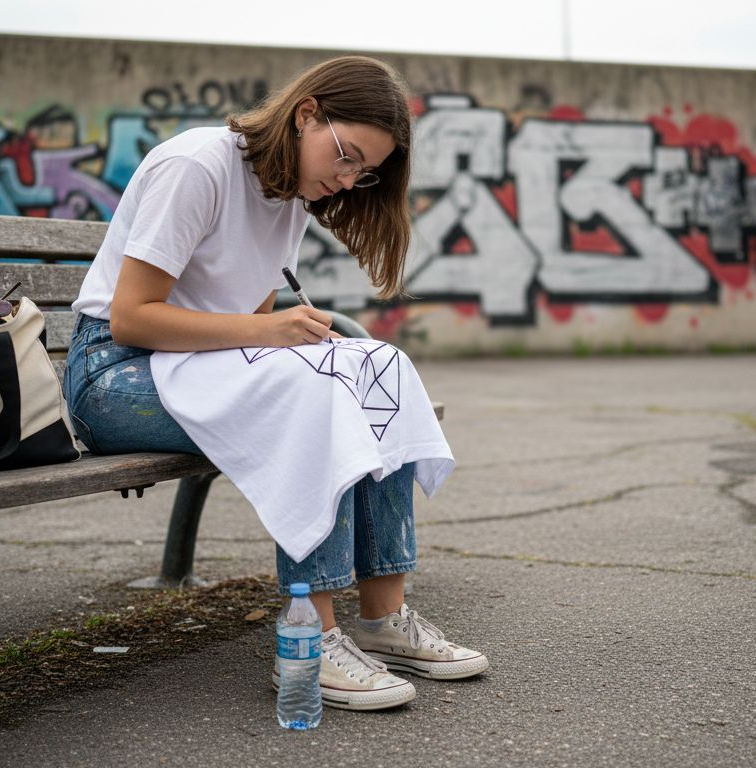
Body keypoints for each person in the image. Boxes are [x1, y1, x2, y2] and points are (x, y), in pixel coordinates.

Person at [64, 55, 487, 711]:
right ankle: (308, 644)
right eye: (345, 156)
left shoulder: (291, 193)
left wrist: (293, 340)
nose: (347, 181)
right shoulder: (197, 166)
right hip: (115, 376)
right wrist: (274, 336)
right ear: (306, 112)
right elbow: (131, 318)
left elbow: (248, 322)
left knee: (377, 365)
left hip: (192, 368)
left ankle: (383, 618)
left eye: (363, 171)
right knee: (316, 397)